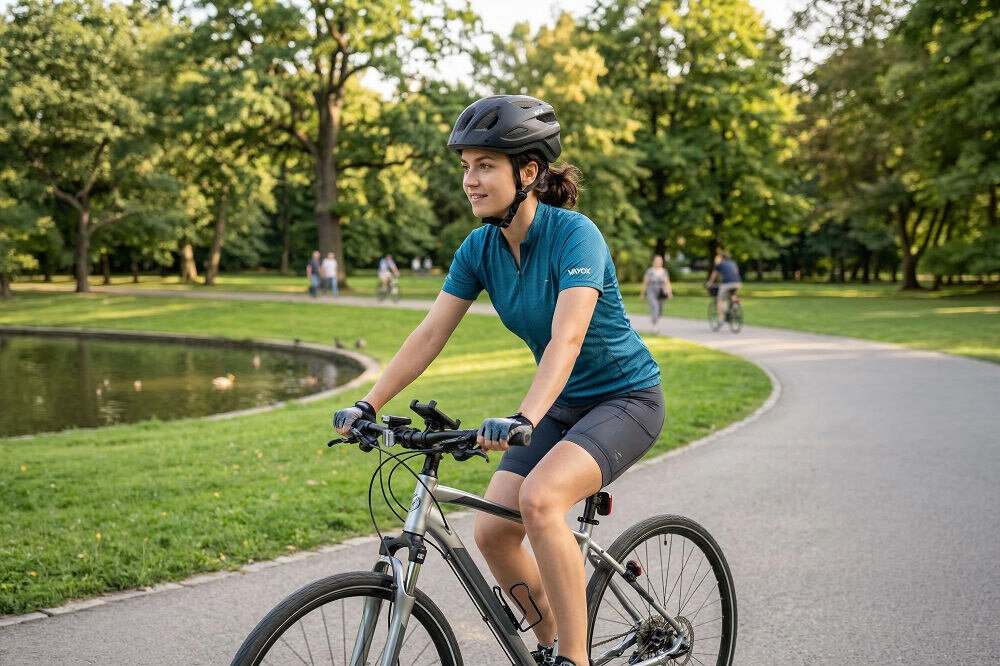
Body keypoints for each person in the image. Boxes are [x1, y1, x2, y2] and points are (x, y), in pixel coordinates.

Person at [334, 95, 664, 666]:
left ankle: (575, 660)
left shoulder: (575, 236)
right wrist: (368, 402)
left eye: (484, 165)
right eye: (465, 166)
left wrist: (524, 418)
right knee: (491, 530)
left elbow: (568, 338)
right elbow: (431, 333)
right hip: (559, 404)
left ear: (528, 172)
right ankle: (548, 643)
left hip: (625, 399)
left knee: (539, 501)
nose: (470, 180)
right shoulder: (481, 247)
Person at [639, 254, 673, 333]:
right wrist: (642, 294)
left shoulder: (664, 271)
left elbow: (667, 283)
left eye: (660, 260)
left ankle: (655, 319)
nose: (658, 262)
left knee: (660, 310)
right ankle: (655, 325)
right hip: (651, 291)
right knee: (654, 307)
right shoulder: (649, 271)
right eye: (656, 260)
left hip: (661, 292)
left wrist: (669, 292)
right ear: (653, 262)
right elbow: (645, 283)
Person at [707, 250, 742, 321]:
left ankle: (721, 318)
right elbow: (736, 272)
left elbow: (714, 275)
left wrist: (710, 283)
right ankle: (735, 306)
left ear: (722, 257)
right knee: (731, 294)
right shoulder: (733, 263)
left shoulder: (720, 264)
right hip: (737, 283)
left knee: (720, 299)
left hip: (727, 283)